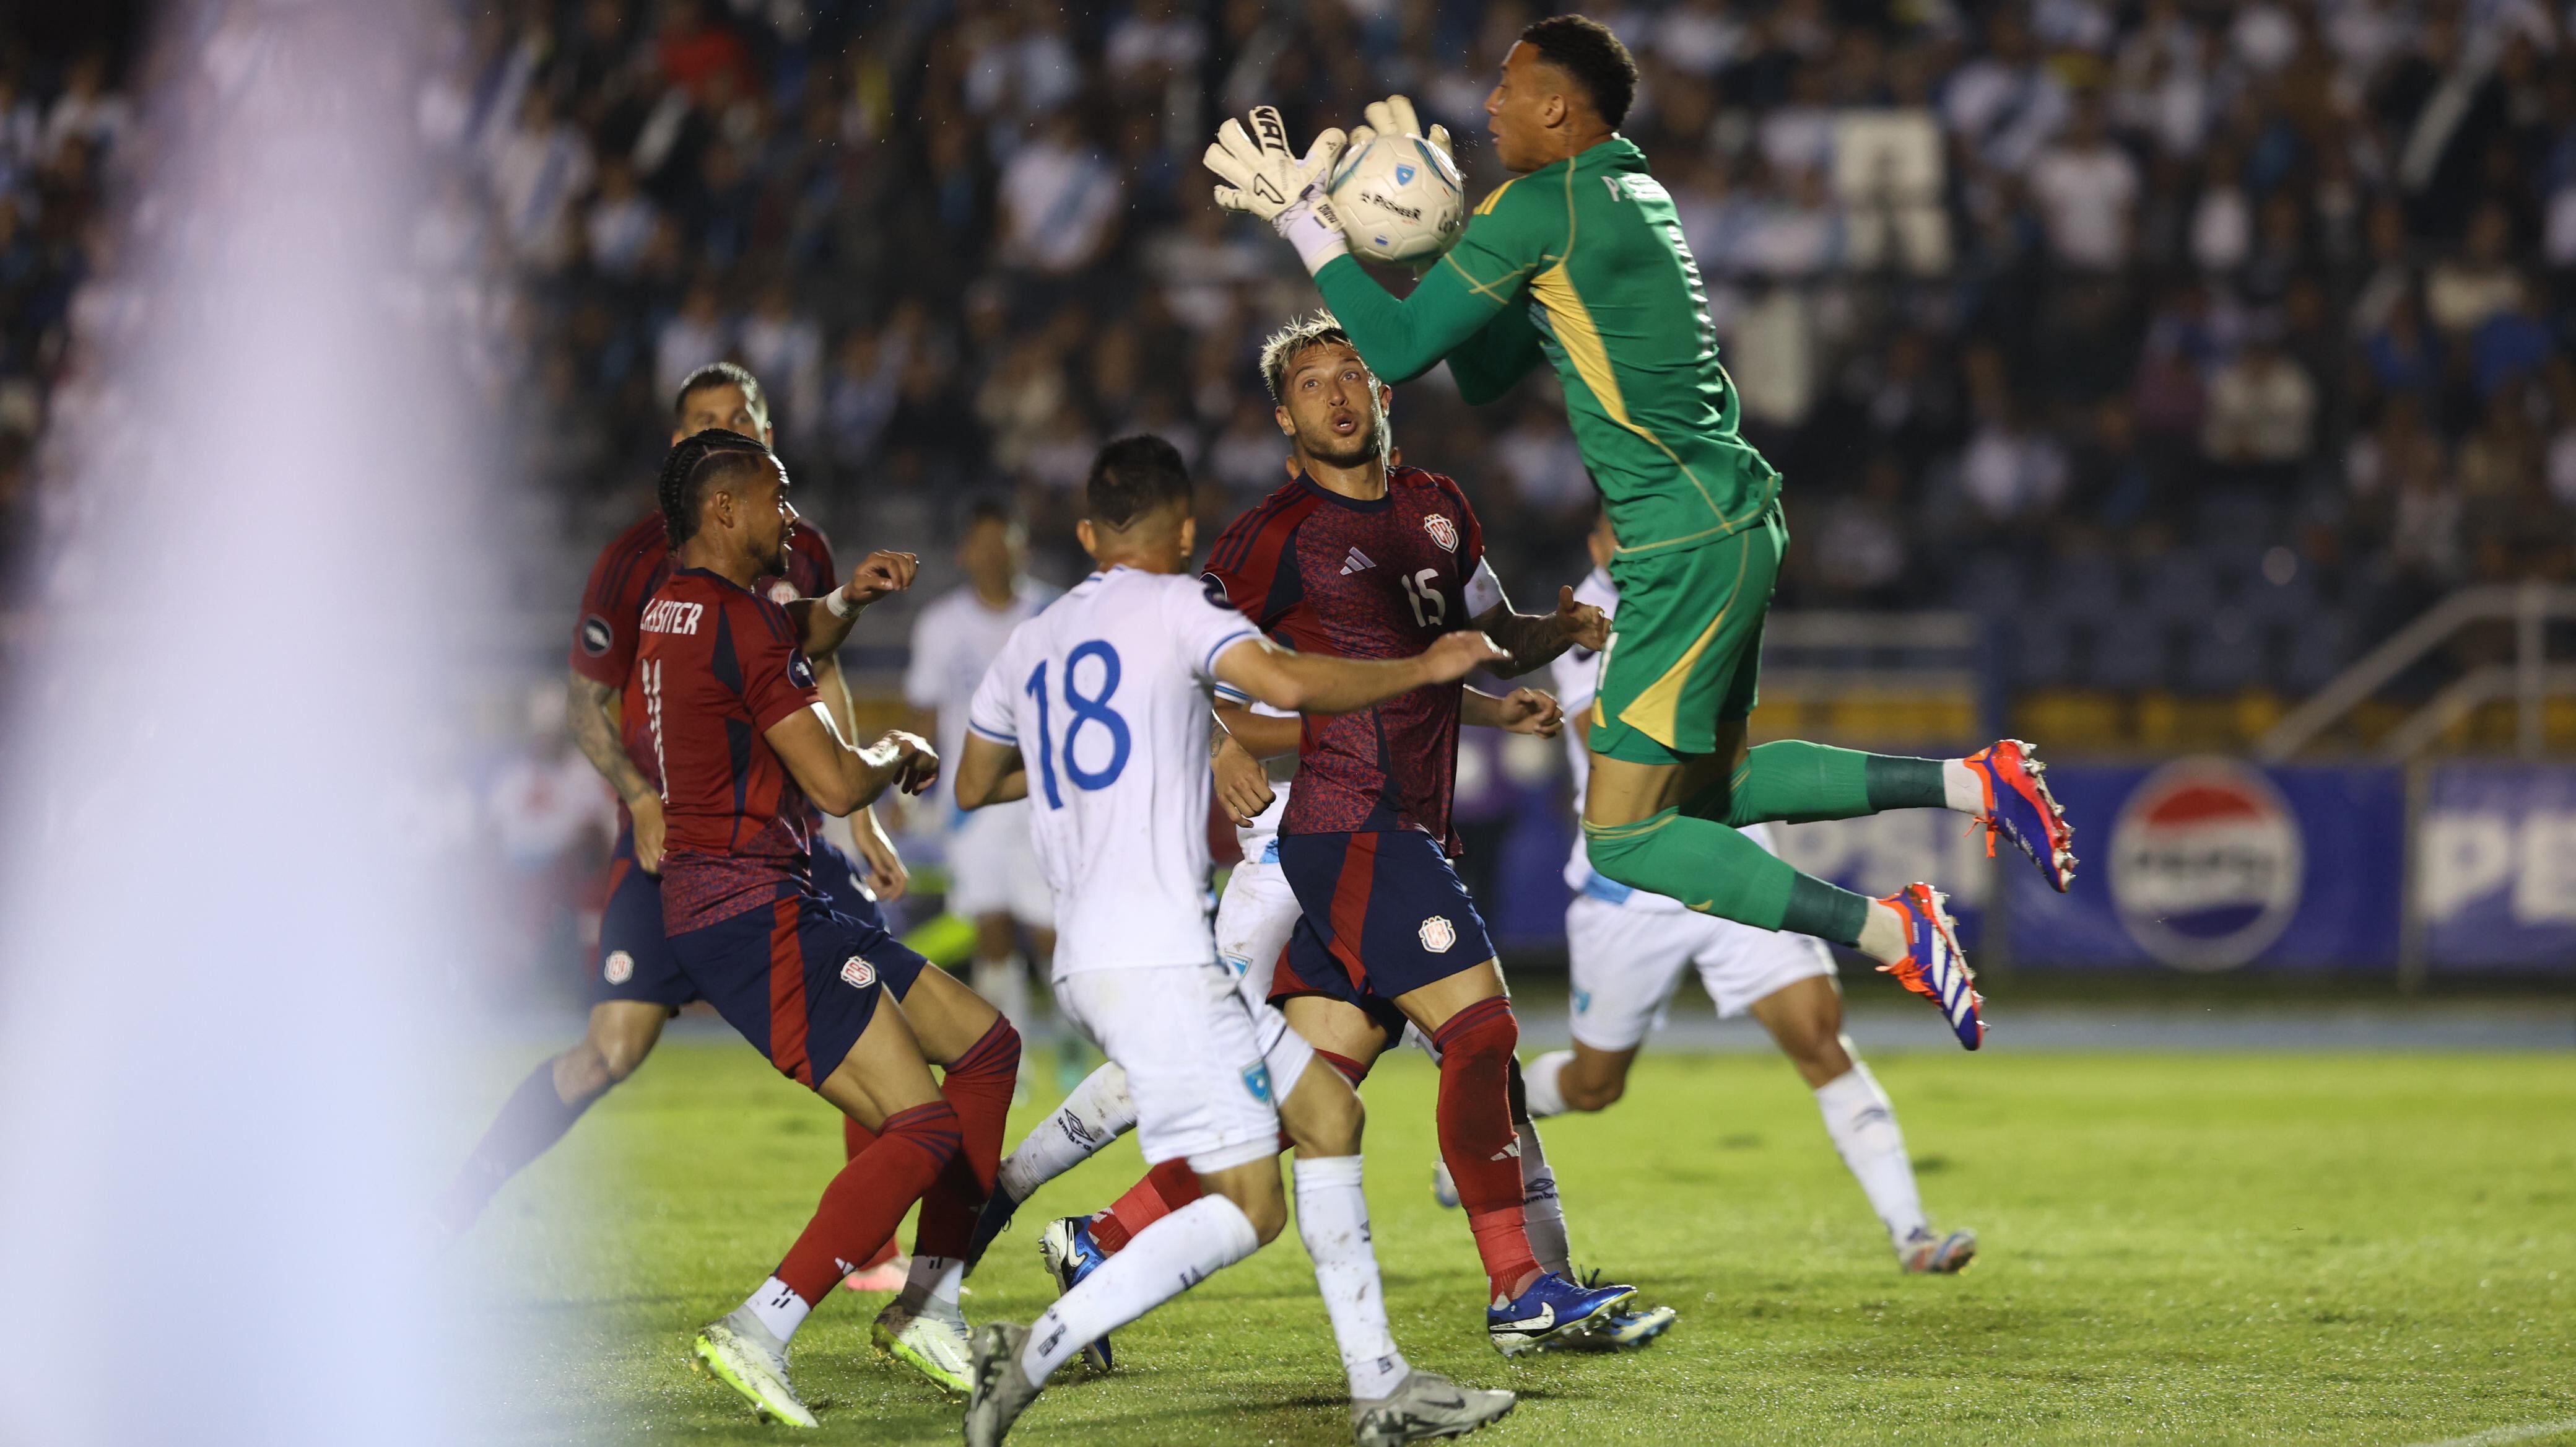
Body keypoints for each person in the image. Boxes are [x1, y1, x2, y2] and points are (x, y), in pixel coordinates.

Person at [1204, 25, 2079, 1049]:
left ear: (1560, 112)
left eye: (1508, 87)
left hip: (1677, 543)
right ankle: (1976, 783)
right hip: (1728, 521)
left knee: (1625, 835)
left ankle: (1893, 930)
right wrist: (1443, 242)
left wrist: (1312, 224)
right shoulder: (1624, 192)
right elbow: (1481, 371)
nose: (1487, 106)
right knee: (1713, 785)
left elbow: (1392, 346)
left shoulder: (1542, 206)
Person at [966, 319, 1660, 1360]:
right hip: (1352, 824)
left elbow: (1491, 633)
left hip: (1403, 831)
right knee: (1480, 1035)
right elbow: (1154, 637)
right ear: (1285, 419)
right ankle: (1521, 1286)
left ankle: (1102, 1241)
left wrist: (1554, 634)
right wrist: (1207, 743)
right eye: (1310, 382)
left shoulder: (1438, 508)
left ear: (1382, 396)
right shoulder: (1272, 534)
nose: (1338, 393)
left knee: (1309, 1099)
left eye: (1353, 374)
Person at [952, 435, 1517, 1447]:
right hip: (1164, 955)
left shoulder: (1031, 640)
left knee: (1328, 1115)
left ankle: (1381, 1384)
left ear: (1086, 534)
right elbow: (1292, 687)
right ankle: (1038, 1339)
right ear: (1181, 533)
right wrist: (1426, 664)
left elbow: (973, 783)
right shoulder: (1179, 606)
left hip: (1090, 955)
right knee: (1254, 1204)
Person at [435, 365, 920, 1297]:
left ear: (767, 436)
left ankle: (878, 1253)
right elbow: (588, 707)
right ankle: (458, 1201)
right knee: (609, 1052)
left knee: (877, 988)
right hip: (666, 849)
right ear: (678, 450)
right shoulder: (631, 561)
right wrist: (640, 797)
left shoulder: (799, 543)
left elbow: (816, 673)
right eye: (703, 424)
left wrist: (857, 822)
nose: (720, 434)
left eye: (738, 422)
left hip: (779, 843)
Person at [1443, 510, 1978, 1274]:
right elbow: (1614, 742)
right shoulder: (1584, 621)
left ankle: (1911, 1231)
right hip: (1630, 881)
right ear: (1604, 536)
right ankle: (1494, 1130)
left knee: (1818, 1036)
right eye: (1630, 524)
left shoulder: (1688, 590)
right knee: (1595, 1084)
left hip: (1729, 858)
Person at [635, 430, 1017, 1424]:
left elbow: (782, 631)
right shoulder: (740, 625)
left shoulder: (678, 607)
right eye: (777, 497)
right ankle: (760, 1326)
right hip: (750, 909)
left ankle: (929, 1305)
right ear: (725, 509)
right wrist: (897, 749)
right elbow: (838, 779)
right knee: (922, 1125)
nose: (790, 517)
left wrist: (845, 603)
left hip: (754, 898)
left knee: (985, 1045)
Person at [903, 498, 1058, 1041]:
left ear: (1024, 549)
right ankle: (1007, 1057)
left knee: (1050, 933)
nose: (994, 555)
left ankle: (1072, 1039)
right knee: (991, 928)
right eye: (984, 544)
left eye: (1005, 543)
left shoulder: (1054, 615)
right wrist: (907, 796)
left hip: (1042, 797)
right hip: (971, 803)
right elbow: (924, 714)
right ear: (966, 553)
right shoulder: (941, 624)